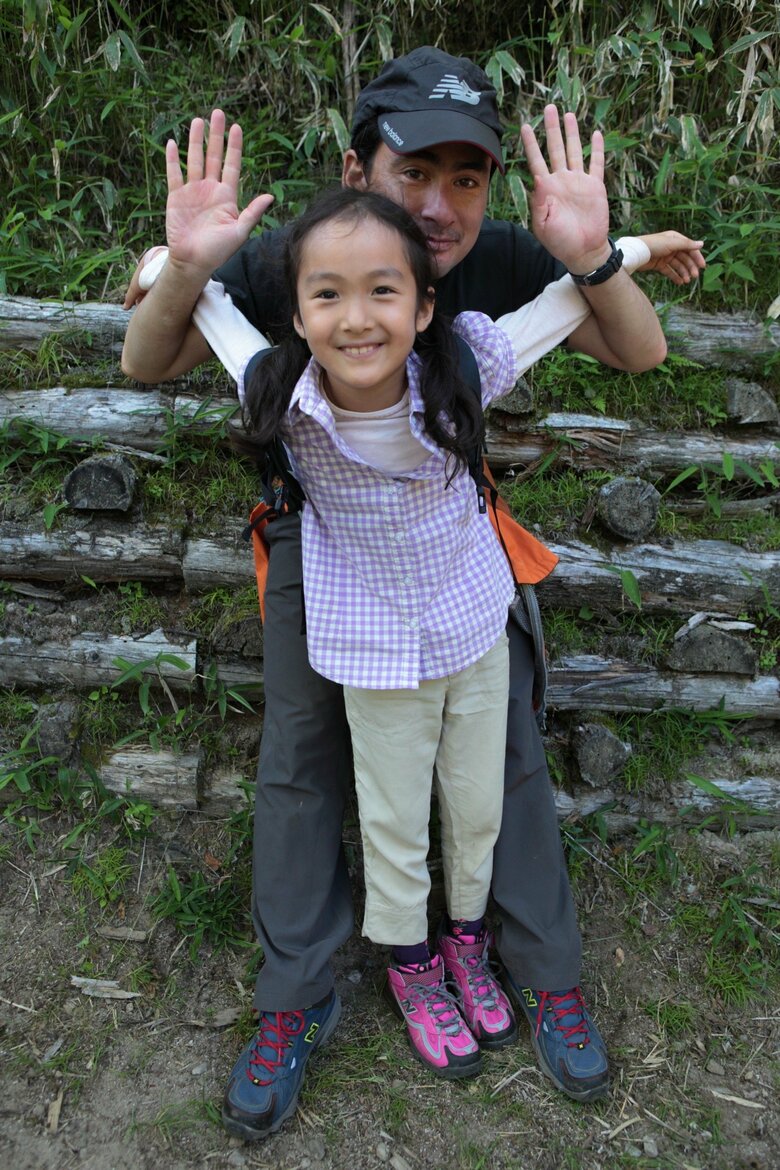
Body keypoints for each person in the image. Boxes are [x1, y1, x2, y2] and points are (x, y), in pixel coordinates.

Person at [122, 46, 705, 1135]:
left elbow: (633, 346)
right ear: (358, 170)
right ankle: (302, 994)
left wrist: (600, 254)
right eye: (412, 173)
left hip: (452, 550)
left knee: (505, 751)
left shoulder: (493, 258)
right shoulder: (302, 258)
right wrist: (180, 268)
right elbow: (153, 353)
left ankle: (530, 964)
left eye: (465, 178)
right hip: (321, 539)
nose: (439, 206)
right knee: (301, 757)